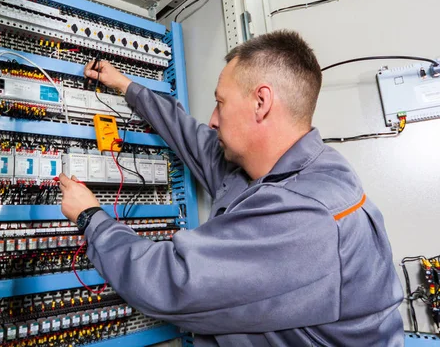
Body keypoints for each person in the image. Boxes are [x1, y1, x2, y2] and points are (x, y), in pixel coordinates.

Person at [58, 30, 404, 346]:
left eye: (220, 102)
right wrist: (127, 87)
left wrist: (91, 217)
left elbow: (172, 282)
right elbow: (191, 136)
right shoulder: (278, 169)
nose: (212, 118)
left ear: (261, 102)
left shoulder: (307, 215)